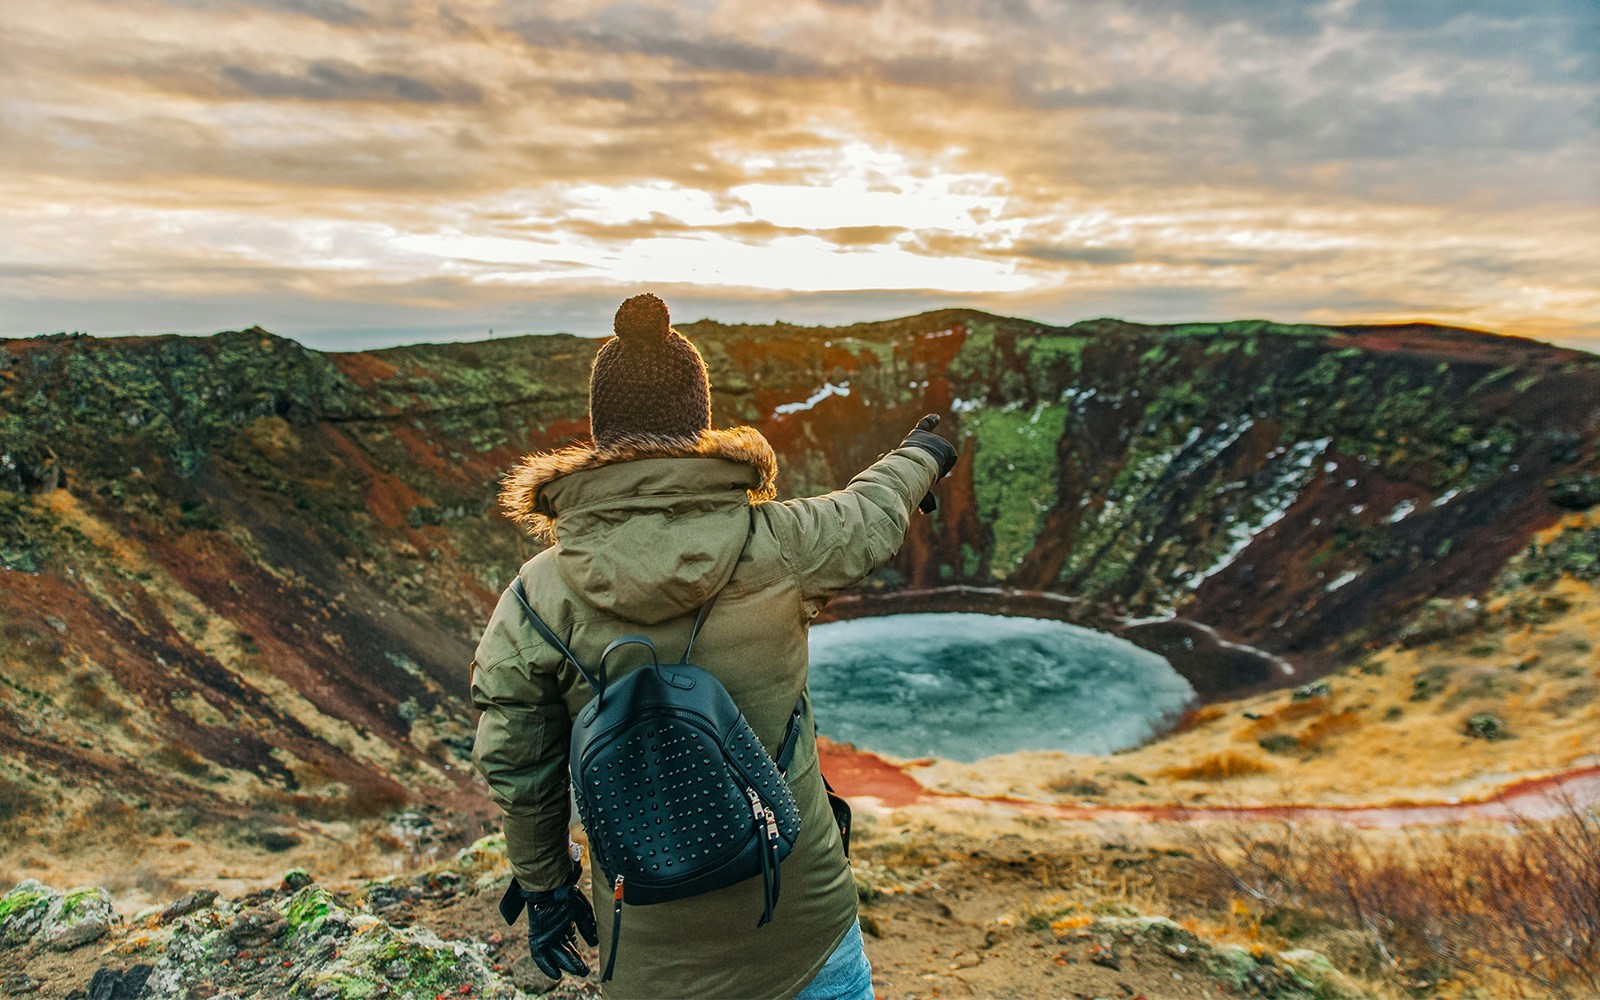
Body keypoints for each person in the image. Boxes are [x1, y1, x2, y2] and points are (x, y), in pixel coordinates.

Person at [470, 292, 958, 999]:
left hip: (651, 955)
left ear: (602, 434)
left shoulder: (535, 599)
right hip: (801, 919)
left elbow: (520, 769)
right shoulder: (782, 545)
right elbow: (871, 512)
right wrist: (924, 455)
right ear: (698, 419)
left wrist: (545, 889)